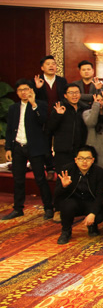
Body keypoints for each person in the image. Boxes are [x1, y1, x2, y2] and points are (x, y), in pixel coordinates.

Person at [2, 80, 53, 221]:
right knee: (18, 180)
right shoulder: (13, 108)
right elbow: (9, 130)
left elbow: (43, 121)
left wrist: (33, 104)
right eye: (20, 90)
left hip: (35, 147)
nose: (23, 92)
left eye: (26, 89)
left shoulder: (40, 105)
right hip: (18, 147)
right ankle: (18, 209)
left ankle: (48, 207)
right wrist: (8, 148)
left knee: (40, 179)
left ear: (31, 90)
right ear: (17, 93)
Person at [55, 146, 103, 244]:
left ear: (93, 160)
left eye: (88, 158)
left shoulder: (99, 172)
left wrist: (93, 213)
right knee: (67, 206)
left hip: (90, 201)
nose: (84, 162)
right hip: (73, 201)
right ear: (75, 160)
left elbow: (100, 196)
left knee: (99, 215)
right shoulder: (67, 170)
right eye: (81, 158)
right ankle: (66, 231)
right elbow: (57, 194)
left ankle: (92, 226)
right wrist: (63, 186)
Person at [47, 83, 88, 171]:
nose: (74, 95)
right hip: (63, 150)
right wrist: (58, 115)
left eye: (77, 92)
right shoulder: (59, 107)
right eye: (71, 93)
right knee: (63, 175)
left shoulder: (84, 108)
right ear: (65, 95)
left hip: (80, 150)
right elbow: (50, 128)